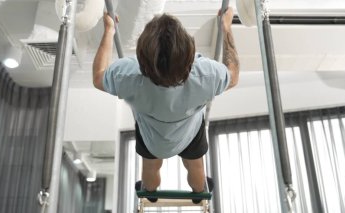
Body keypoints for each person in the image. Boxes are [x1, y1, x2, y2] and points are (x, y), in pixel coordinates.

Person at [93, 7, 239, 203]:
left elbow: (98, 76)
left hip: (152, 137)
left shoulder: (128, 75)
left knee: (151, 167)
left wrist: (109, 30)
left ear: (141, 57)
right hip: (190, 133)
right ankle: (199, 193)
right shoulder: (206, 74)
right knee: (196, 167)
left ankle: (150, 193)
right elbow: (234, 75)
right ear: (189, 53)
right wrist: (226, 27)